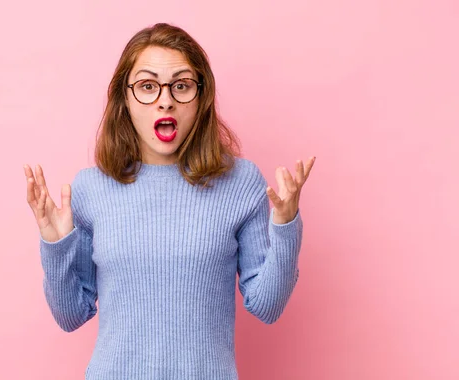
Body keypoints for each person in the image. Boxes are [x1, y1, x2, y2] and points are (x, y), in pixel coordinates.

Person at [23, 22, 315, 380]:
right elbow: (70, 316)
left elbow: (267, 306)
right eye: (147, 86)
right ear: (124, 98)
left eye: (181, 85)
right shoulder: (90, 190)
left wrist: (286, 226)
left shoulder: (241, 182)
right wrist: (55, 245)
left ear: (201, 95)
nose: (166, 100)